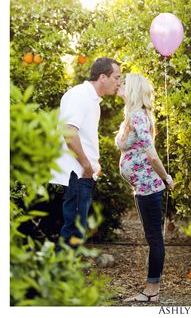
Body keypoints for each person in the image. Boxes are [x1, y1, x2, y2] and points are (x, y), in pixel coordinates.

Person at [50, 57, 121, 248]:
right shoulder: (79, 95)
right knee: (73, 230)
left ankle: (65, 274)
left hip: (84, 173)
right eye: (117, 77)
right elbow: (68, 132)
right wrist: (85, 164)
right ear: (102, 77)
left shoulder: (92, 100)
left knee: (76, 230)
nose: (119, 82)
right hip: (77, 173)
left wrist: (92, 164)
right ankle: (60, 275)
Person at [115, 73, 174, 302]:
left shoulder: (138, 116)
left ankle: (152, 291)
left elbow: (152, 155)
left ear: (133, 90)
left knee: (154, 239)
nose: (120, 84)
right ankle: (152, 289)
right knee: (154, 237)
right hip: (143, 186)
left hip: (149, 186)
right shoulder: (133, 114)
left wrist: (167, 179)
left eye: (124, 83)